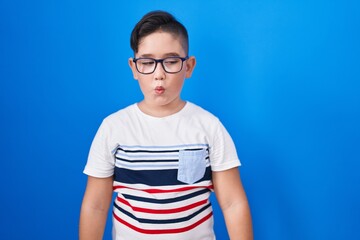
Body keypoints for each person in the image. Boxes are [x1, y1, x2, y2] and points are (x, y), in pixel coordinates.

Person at [79, 10, 253, 240]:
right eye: (147, 62)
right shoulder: (113, 128)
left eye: (171, 61)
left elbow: (232, 203)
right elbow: (95, 206)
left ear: (188, 66)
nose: (158, 74)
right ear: (133, 67)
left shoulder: (209, 127)